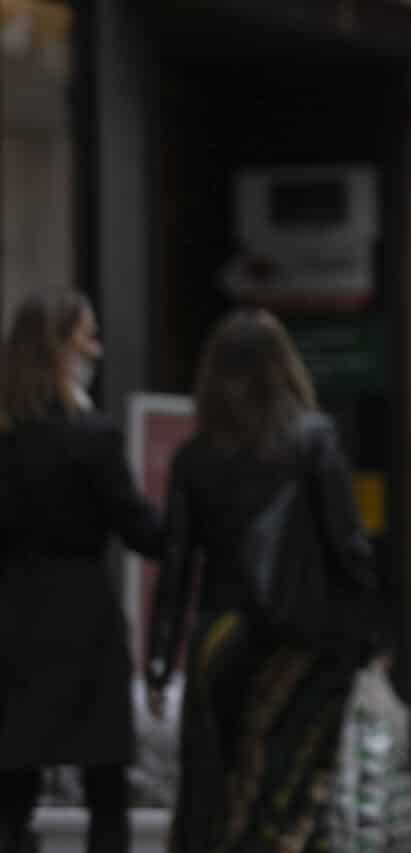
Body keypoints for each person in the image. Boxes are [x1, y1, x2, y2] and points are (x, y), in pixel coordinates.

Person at [147, 309, 378, 853]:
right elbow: (348, 547)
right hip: (302, 645)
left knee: (212, 786)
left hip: (218, 640)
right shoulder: (314, 440)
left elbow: (176, 564)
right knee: (287, 788)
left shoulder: (193, 457)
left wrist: (159, 662)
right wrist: (369, 632)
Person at [0, 294, 162, 853]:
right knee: (105, 786)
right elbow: (143, 532)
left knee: (11, 786)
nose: (98, 348)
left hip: (11, 623)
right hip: (83, 625)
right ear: (60, 347)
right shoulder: (92, 437)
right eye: (88, 337)